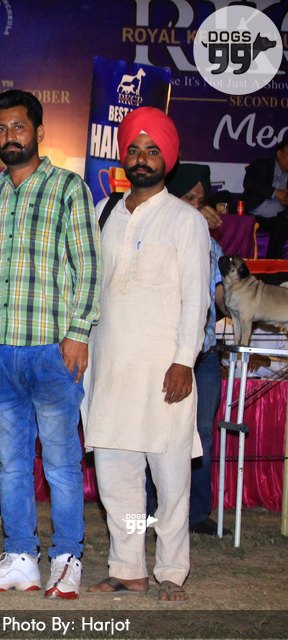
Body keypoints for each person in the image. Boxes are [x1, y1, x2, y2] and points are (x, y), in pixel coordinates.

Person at [84, 107, 209, 602]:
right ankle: (128, 567)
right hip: (110, 367)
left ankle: (172, 571)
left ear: (167, 159)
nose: (141, 158)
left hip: (164, 371)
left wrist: (184, 360)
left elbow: (197, 296)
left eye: (152, 150)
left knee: (171, 478)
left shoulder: (185, 220)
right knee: (116, 477)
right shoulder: (104, 211)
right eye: (133, 150)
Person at [0, 90, 99, 599]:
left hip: (53, 350)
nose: (10, 136)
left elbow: (89, 266)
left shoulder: (68, 187)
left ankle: (68, 557)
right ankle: (21, 557)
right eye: (1, 129)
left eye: (19, 127)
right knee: (10, 464)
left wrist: (78, 333)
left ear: (39, 132)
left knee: (61, 464)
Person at [165, 164, 229, 537]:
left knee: (202, 432)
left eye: (201, 200)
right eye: (188, 198)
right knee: (159, 436)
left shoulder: (211, 244)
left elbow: (221, 297)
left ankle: (197, 513)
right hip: (167, 355)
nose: (196, 206)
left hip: (203, 356)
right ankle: (151, 514)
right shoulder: (162, 236)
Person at [242, 133, 288, 259]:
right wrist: (275, 192)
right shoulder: (261, 165)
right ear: (279, 154)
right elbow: (249, 183)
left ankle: (273, 261)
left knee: (283, 222)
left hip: (278, 218)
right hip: (255, 215)